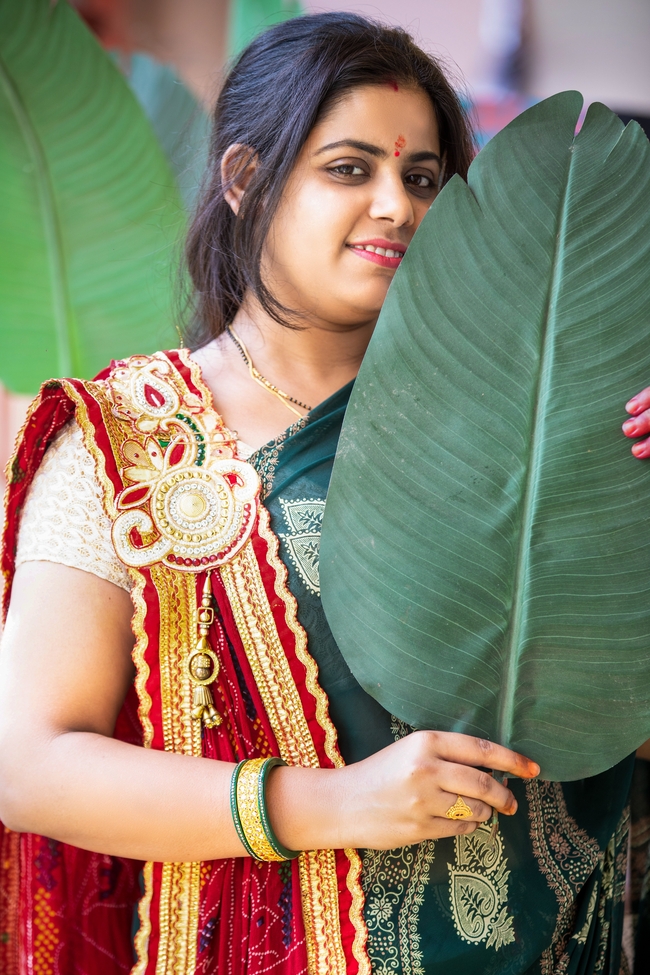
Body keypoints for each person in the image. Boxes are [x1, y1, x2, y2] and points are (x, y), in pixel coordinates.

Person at [0, 12, 635, 975]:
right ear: (246, 179)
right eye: (350, 168)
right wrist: (330, 802)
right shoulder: (128, 442)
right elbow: (30, 764)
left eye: (422, 178)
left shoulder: (553, 425)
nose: (395, 205)